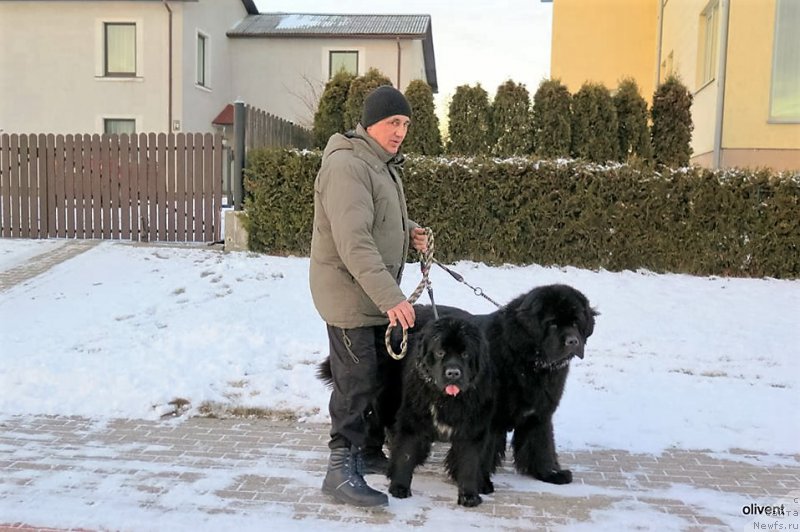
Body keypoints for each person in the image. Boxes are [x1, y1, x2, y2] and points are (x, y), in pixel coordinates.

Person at [309, 85, 428, 507]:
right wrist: (393, 298)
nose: (400, 132)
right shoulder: (348, 166)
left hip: (370, 294)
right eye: (393, 123)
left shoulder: (381, 165)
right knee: (356, 383)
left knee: (378, 376)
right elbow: (354, 241)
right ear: (371, 123)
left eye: (406, 124)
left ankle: (367, 453)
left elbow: (378, 216)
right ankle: (340, 470)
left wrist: (408, 229)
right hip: (347, 293)